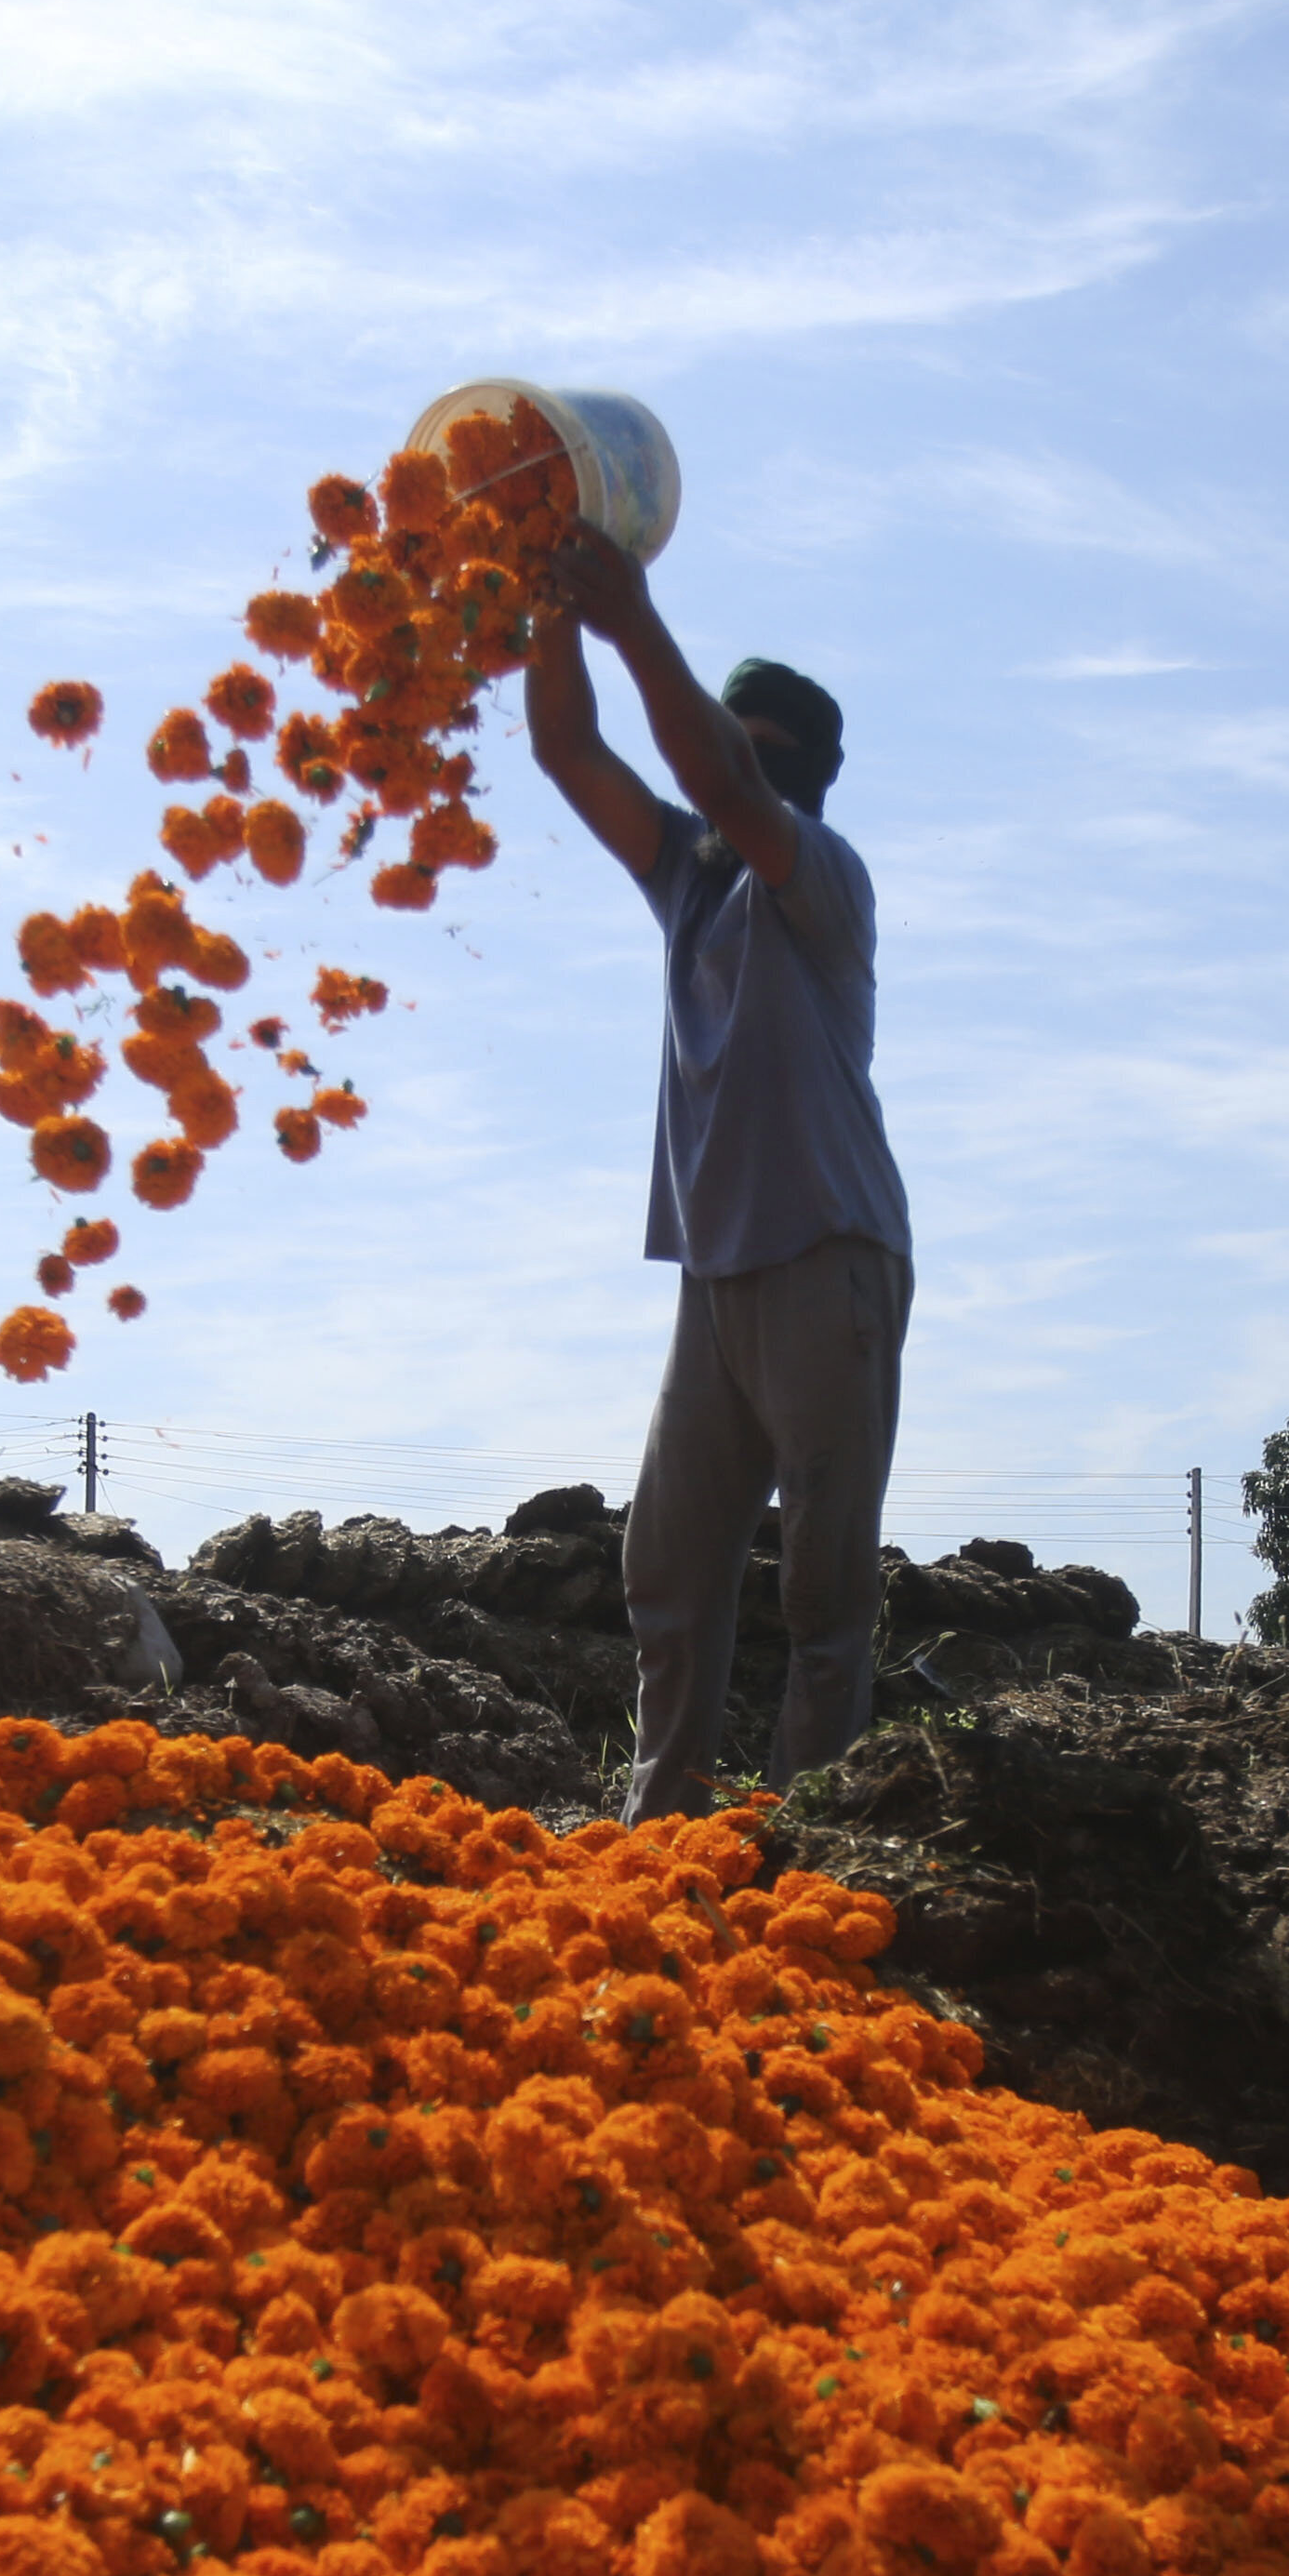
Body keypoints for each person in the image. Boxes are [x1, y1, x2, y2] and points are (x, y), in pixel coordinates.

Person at [524, 520, 912, 1820]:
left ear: (789, 766)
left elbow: (725, 779)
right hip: (717, 1272)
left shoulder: (816, 876)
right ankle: (666, 1833)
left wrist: (632, 619)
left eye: (738, 745)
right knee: (670, 1571)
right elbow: (571, 751)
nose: (705, 776)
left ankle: (812, 1841)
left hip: (829, 1252)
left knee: (823, 1589)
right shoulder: (687, 884)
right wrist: (549, 613)